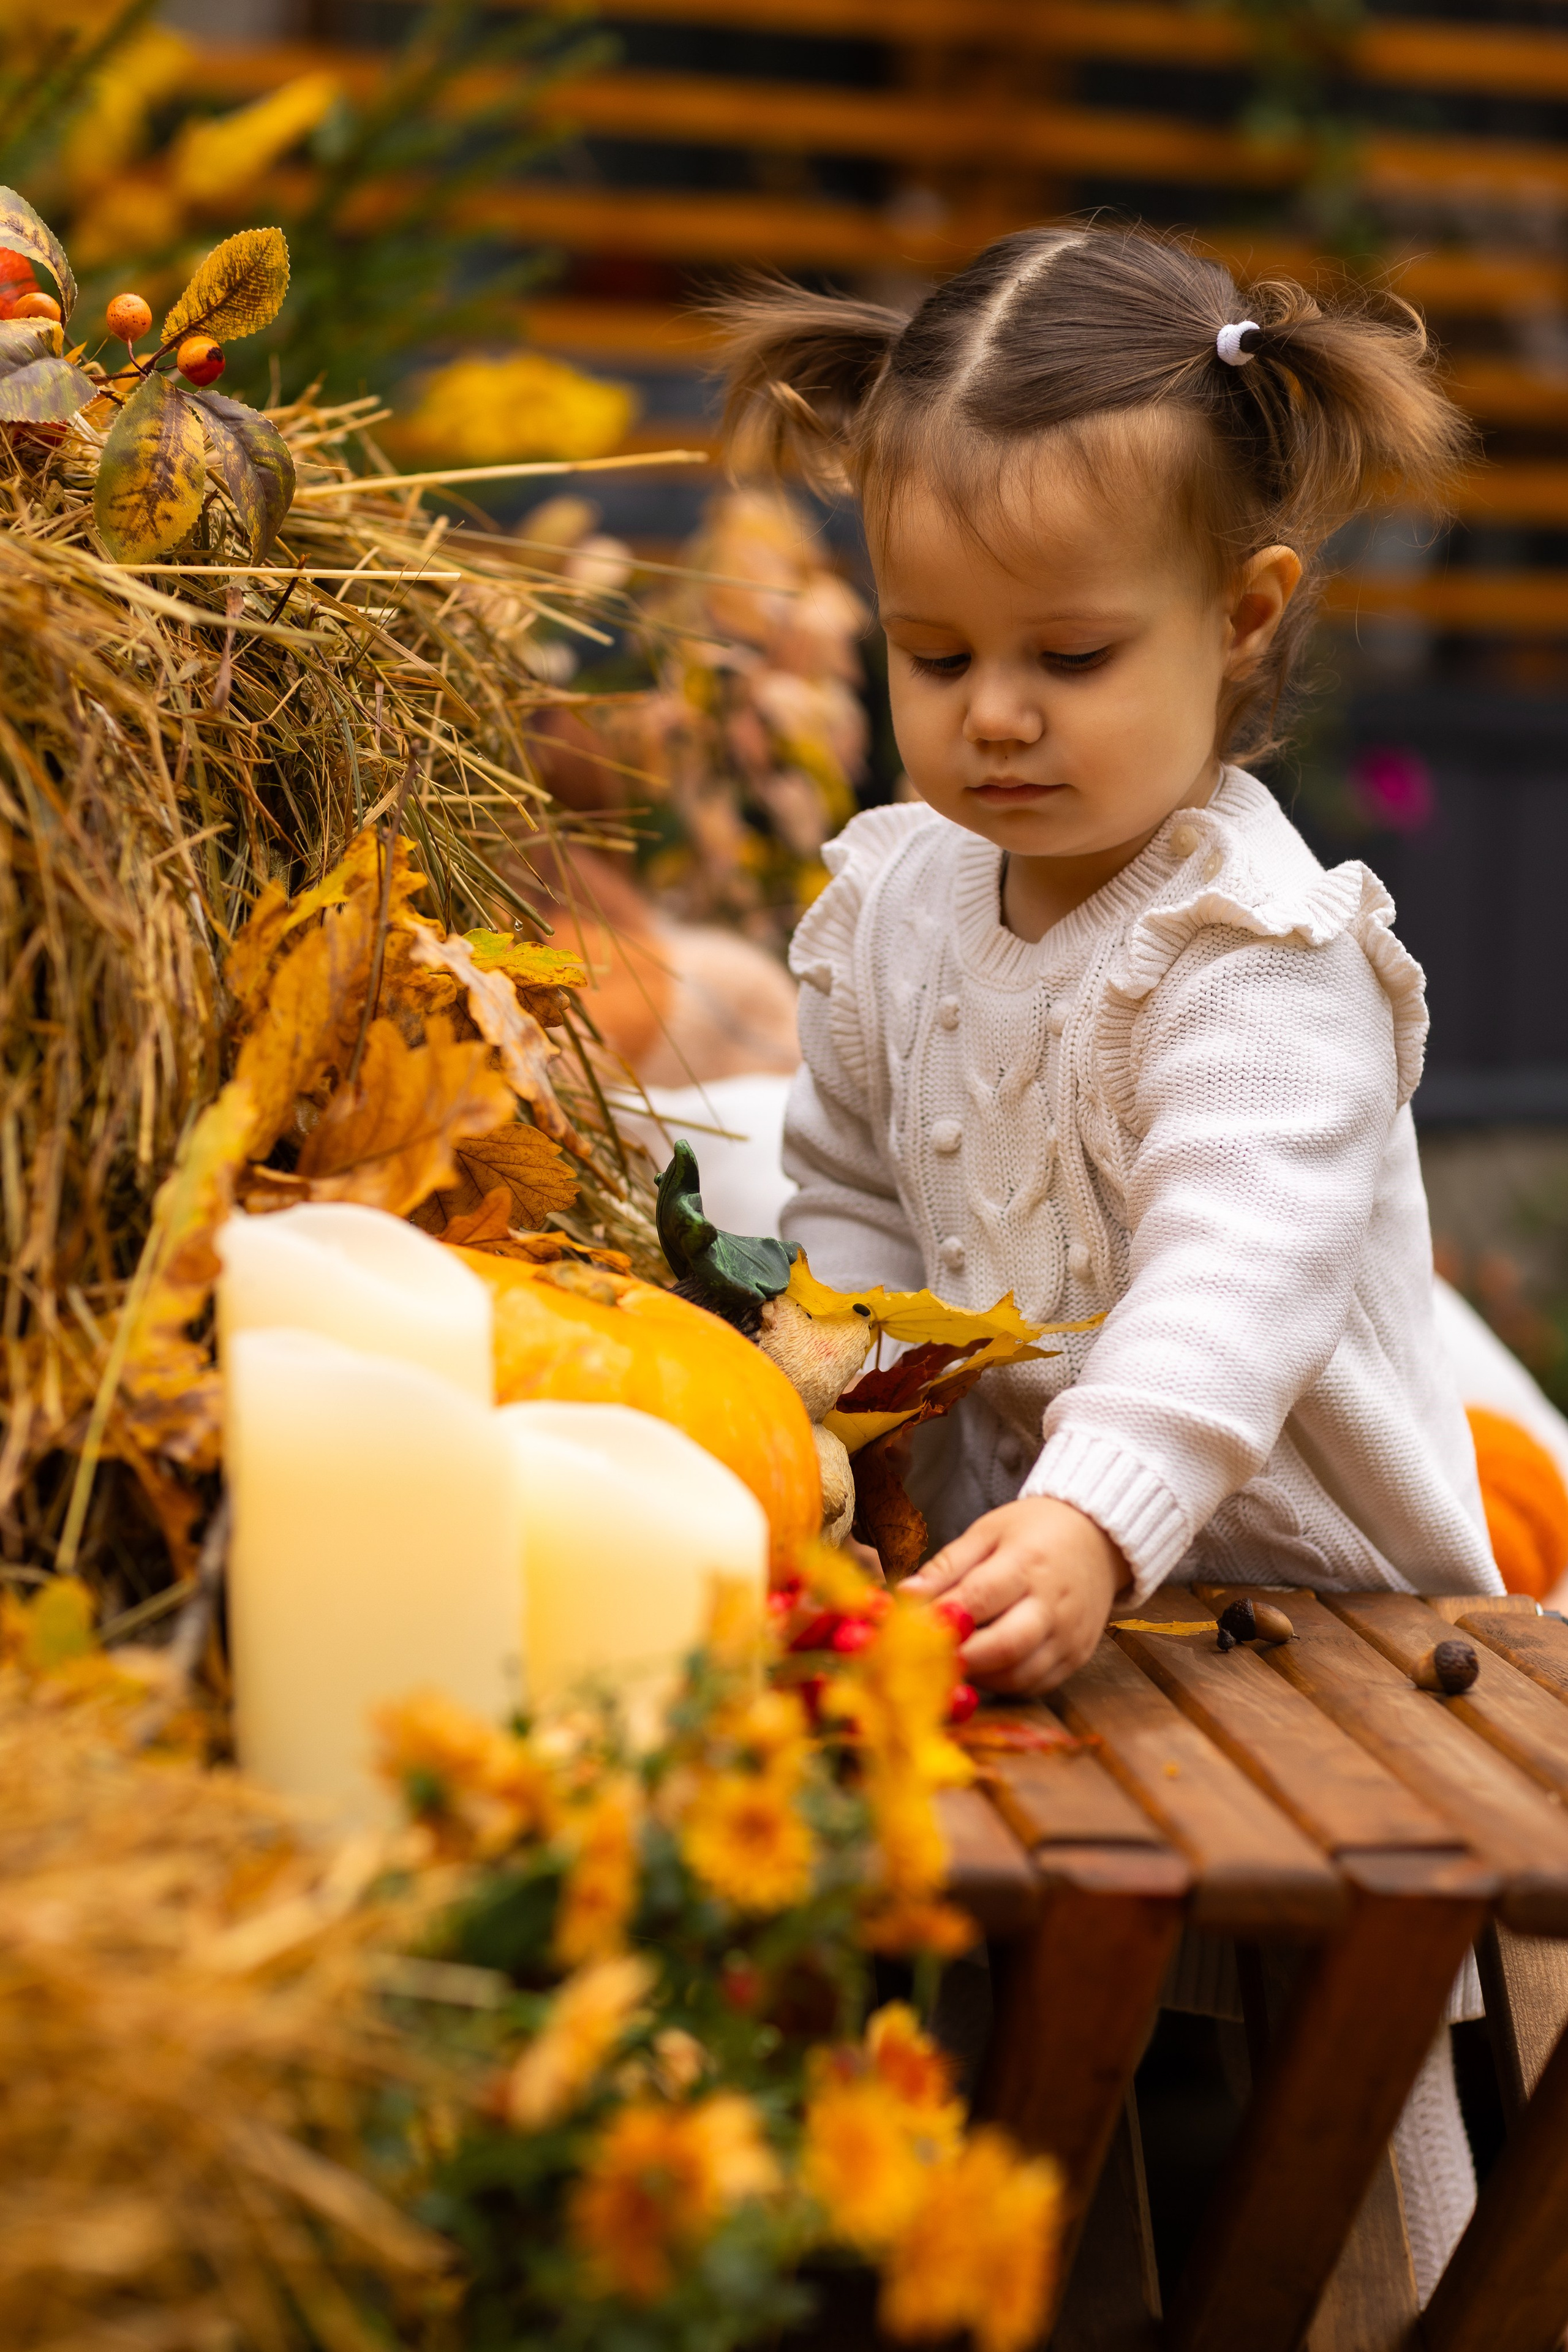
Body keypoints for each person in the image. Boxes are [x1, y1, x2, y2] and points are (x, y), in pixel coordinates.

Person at [713, 225, 1506, 2300]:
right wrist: (836, 1426)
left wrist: (1095, 1511)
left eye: (1068, 660)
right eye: (932, 653)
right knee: (1025, 2044)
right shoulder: (896, 901)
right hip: (1058, 1607)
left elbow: (1228, 1287)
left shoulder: (1250, 954)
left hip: (1319, 1626)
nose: (991, 718)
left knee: (1277, 2085)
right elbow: (858, 1205)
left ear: (1239, 623)